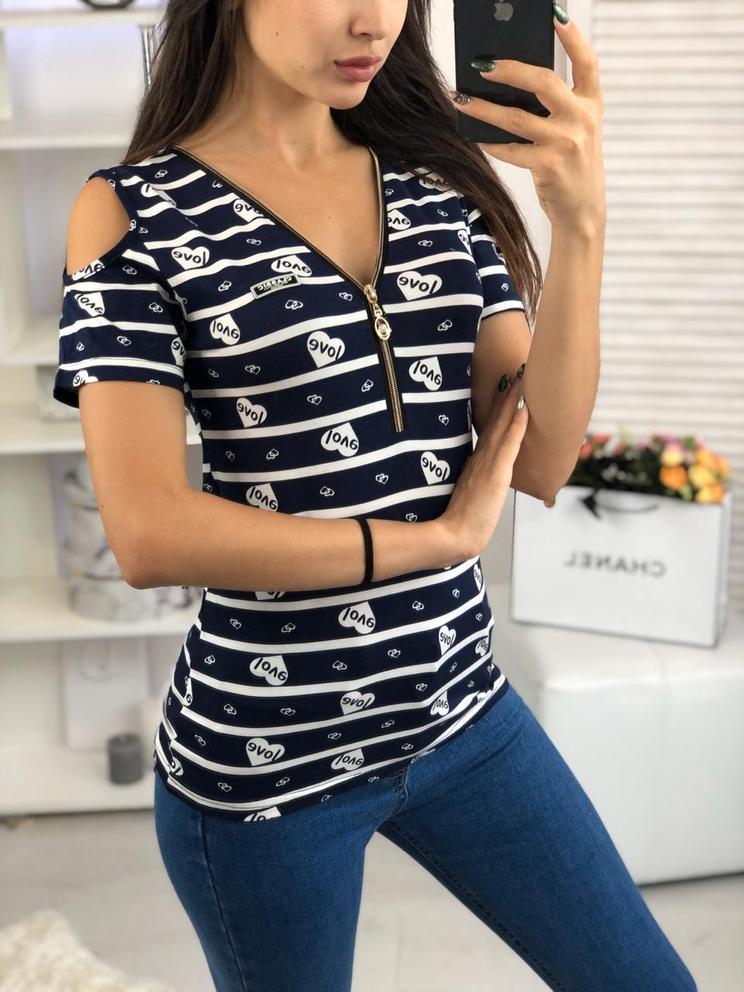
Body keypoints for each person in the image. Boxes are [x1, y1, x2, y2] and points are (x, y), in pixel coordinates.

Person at [53, 2, 698, 990]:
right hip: (267, 771)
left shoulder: (439, 186)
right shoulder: (134, 212)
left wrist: (580, 223)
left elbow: (540, 458)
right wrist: (429, 541)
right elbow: (148, 532)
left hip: (465, 715)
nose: (373, 21)